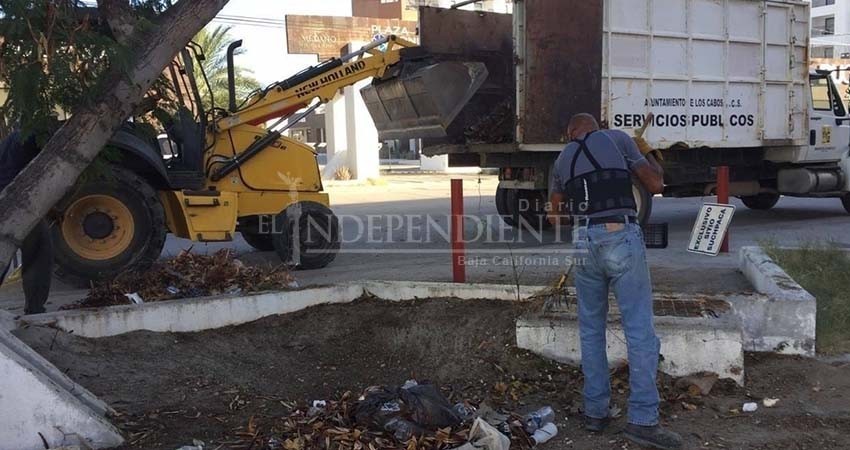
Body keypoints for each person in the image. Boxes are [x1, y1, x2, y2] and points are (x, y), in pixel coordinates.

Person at [548, 114, 681, 450]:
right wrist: (645, 153)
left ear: (571, 132)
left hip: (582, 242)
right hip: (619, 235)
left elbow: (555, 215)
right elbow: (655, 185)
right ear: (595, 127)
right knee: (639, 331)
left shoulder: (561, 159)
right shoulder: (619, 139)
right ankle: (643, 421)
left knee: (591, 330)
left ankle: (595, 413)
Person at [0, 131, 53, 315]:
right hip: (15, 203)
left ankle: (35, 307)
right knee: (38, 249)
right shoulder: (32, 140)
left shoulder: (16, 138)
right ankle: (35, 308)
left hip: (13, 200)